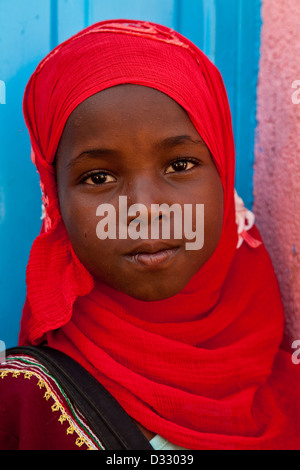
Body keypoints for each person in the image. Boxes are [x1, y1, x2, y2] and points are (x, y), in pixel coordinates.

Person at [0, 19, 299, 451]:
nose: (143, 209)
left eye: (180, 165)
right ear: (56, 201)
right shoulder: (27, 403)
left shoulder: (277, 364)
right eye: (98, 176)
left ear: (223, 169)